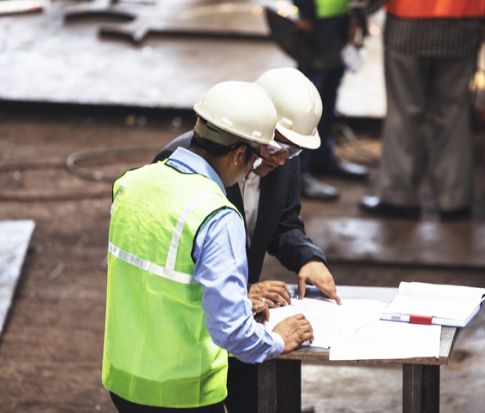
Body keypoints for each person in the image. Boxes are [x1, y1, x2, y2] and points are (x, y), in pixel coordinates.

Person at [102, 81, 314, 413]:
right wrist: (278, 340)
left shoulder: (132, 184)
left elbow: (160, 281)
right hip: (183, 390)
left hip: (125, 380)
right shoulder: (216, 215)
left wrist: (234, 297)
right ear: (240, 154)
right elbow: (231, 332)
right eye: (256, 158)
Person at [153, 68, 341, 413]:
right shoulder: (185, 163)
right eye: (278, 146)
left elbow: (284, 223)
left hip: (244, 327)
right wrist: (236, 293)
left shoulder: (282, 163)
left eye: (294, 151)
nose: (283, 158)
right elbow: (166, 259)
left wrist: (307, 258)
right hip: (190, 339)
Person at [359, 0, 485, 220]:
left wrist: (361, 11)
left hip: (407, 24)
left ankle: (398, 197)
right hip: (463, 22)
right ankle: (454, 201)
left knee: (404, 112)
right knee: (454, 113)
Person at [294, 0, 370, 201]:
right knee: (309, 100)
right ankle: (298, 175)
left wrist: (357, 16)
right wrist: (306, 12)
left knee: (329, 94)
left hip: (341, 15)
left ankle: (322, 158)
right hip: (317, 20)